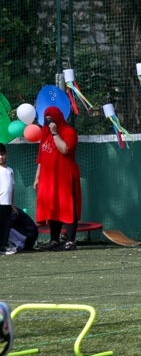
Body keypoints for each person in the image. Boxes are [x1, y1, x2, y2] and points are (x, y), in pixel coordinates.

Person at [34, 107, 82, 251]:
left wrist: (55, 132)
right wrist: (37, 177)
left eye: (51, 117)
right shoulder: (45, 135)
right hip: (49, 178)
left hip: (65, 176)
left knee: (68, 206)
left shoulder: (69, 132)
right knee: (53, 207)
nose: (49, 120)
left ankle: (70, 241)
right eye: (46, 118)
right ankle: (54, 240)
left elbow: (65, 149)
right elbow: (41, 158)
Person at [0, 143, 14, 255]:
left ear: (6, 154)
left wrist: (12, 204)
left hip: (7, 204)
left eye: (2, 154)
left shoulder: (10, 170)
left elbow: (11, 188)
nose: (1, 157)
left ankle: (2, 248)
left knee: (5, 226)